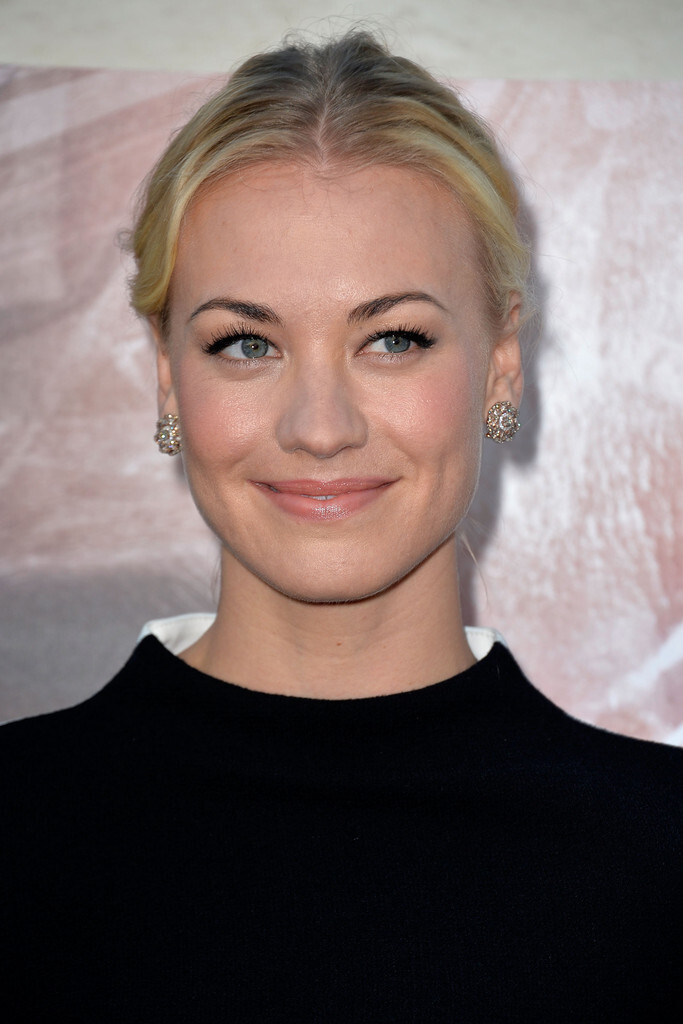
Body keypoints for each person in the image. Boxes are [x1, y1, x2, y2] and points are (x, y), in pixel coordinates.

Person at [1, 29, 680, 1023]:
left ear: (500, 360)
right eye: (245, 344)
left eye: (392, 338)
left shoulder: (660, 855)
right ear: (166, 375)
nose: (319, 427)